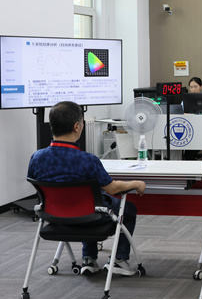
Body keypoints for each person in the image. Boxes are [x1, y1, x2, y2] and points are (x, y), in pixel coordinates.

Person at [27, 101, 146, 276]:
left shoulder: (36, 158)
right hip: (90, 218)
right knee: (126, 209)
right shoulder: (88, 160)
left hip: (53, 217)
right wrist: (135, 184)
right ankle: (119, 260)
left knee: (88, 200)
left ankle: (88, 258)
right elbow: (113, 189)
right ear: (77, 126)